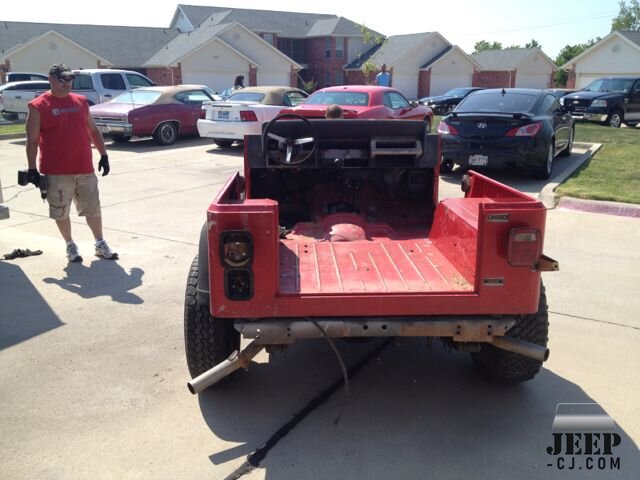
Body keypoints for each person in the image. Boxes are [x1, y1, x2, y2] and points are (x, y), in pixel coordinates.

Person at [25, 63, 117, 263]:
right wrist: (32, 169)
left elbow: (93, 130)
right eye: (62, 79)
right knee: (60, 211)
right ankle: (70, 245)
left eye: (70, 80)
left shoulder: (81, 102)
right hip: (56, 171)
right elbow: (31, 141)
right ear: (51, 79)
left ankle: (100, 243)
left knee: (93, 208)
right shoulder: (38, 106)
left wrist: (104, 155)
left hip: (84, 167)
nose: (67, 84)